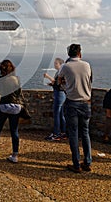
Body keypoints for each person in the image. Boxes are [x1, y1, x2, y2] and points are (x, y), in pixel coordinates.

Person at [58, 44, 92, 173]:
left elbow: (59, 80)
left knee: (73, 133)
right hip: (86, 102)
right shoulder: (87, 65)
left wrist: (66, 87)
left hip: (72, 102)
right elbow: (90, 80)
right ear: (80, 53)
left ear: (68, 54)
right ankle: (87, 162)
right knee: (85, 133)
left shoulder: (65, 66)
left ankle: (76, 164)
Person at [44, 58, 66, 141]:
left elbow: (57, 83)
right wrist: (52, 84)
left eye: (56, 63)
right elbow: (57, 83)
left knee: (57, 114)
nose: (54, 65)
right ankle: (63, 132)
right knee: (61, 114)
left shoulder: (60, 72)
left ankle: (56, 133)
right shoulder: (61, 72)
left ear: (60, 64)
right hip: (62, 94)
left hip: (59, 94)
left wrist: (47, 76)